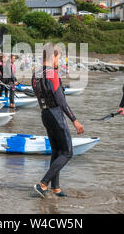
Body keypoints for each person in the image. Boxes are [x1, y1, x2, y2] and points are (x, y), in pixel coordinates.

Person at [32, 43, 84, 198]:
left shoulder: (35, 74)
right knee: (67, 152)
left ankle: (55, 187)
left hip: (44, 114)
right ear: (52, 56)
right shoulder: (52, 74)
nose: (59, 61)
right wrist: (74, 120)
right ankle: (42, 183)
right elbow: (61, 100)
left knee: (56, 151)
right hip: (55, 114)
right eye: (59, 58)